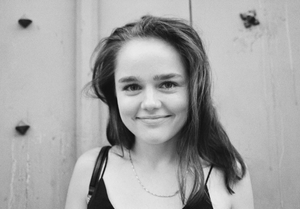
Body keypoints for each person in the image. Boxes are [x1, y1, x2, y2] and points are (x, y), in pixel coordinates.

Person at [65, 15, 254, 209]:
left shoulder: (229, 174)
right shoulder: (90, 170)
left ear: (194, 90)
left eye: (167, 84)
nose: (150, 103)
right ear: (114, 95)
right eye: (132, 86)